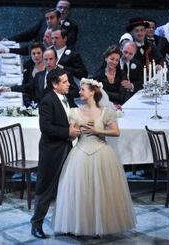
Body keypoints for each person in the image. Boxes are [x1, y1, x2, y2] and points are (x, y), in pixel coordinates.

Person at [53, 78, 136, 236]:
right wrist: (77, 129)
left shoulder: (106, 111)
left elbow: (116, 132)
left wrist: (99, 132)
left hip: (101, 153)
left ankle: (101, 226)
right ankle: (80, 225)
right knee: (81, 191)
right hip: (81, 153)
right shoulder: (75, 112)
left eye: (83, 89)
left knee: (101, 191)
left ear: (92, 92)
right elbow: (71, 136)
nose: (79, 92)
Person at [30, 68, 81, 239]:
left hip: (65, 148)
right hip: (52, 152)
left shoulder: (64, 98)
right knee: (45, 188)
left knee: (66, 188)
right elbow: (46, 128)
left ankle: (66, 224)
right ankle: (36, 224)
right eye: (65, 82)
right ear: (55, 84)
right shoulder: (47, 100)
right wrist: (67, 132)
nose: (69, 84)